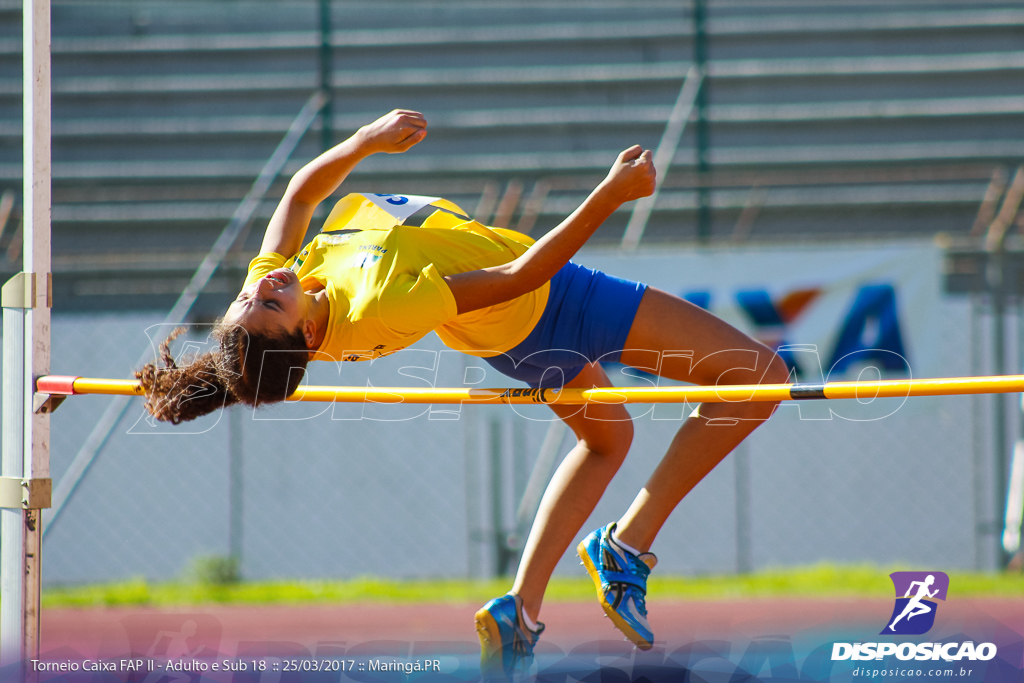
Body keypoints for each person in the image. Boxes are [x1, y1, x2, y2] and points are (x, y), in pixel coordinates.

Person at [136, 109, 787, 676]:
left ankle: (521, 611)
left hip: (508, 333)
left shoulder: (289, 286)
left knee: (607, 437)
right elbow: (520, 272)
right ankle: (625, 546)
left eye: (248, 296)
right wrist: (611, 194)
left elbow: (300, 195)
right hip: (554, 305)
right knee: (762, 378)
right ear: (303, 330)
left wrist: (364, 141)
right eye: (266, 302)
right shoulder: (382, 305)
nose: (261, 285)